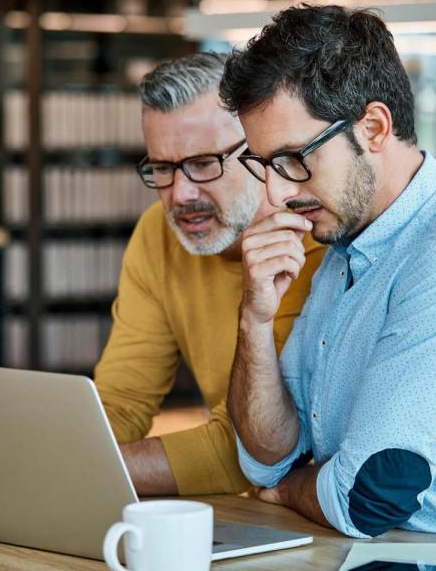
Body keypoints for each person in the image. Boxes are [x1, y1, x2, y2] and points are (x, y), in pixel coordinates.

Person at [222, 5, 436, 543]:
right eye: (266, 166)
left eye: (294, 158)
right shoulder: (343, 250)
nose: (277, 193)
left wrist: (289, 492)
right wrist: (254, 320)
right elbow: (269, 459)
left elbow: (368, 499)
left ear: (373, 127)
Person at [94, 53, 325, 496]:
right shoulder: (157, 234)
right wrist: (55, 455)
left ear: (259, 150)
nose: (180, 194)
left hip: (327, 520)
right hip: (251, 513)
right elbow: (121, 403)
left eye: (204, 163)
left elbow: (250, 449)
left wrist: (84, 468)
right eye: (163, 168)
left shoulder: (315, 244)